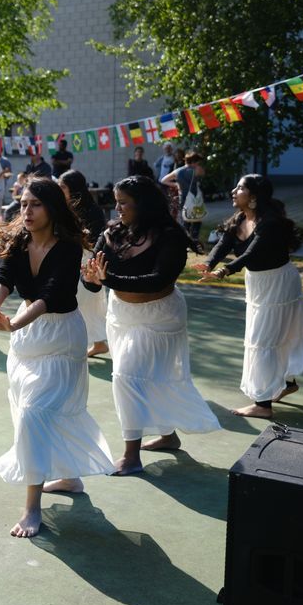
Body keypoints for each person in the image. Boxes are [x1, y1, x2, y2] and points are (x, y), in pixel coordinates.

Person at [0, 177, 115, 538]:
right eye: (22, 204)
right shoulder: (18, 241)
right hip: (25, 343)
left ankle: (32, 509)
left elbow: (51, 295)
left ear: (51, 208)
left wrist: (13, 323)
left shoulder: (68, 248)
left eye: (34, 204)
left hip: (60, 340)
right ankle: (69, 478)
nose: (26, 211)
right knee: (29, 412)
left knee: (34, 415)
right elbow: (3, 275)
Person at [81, 175, 219, 476]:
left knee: (127, 376)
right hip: (121, 314)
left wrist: (108, 280)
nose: (117, 209)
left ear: (142, 205)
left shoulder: (169, 235)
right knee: (147, 376)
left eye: (123, 203)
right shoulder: (112, 233)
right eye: (116, 202)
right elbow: (93, 278)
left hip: (160, 315)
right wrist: (91, 279)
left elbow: (160, 279)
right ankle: (168, 436)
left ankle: (131, 456)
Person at [196, 175, 303, 418]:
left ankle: (262, 404)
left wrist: (224, 271)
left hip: (278, 283)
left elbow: (251, 253)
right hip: (258, 283)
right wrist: (208, 263)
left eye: (240, 188)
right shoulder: (239, 219)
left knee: (263, 339)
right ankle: (286, 384)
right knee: (273, 335)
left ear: (254, 196)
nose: (233, 191)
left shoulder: (269, 222)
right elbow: (224, 244)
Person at [59, 170, 110, 358]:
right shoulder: (64, 207)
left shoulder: (91, 210)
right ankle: (98, 343)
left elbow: (96, 239)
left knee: (83, 302)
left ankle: (88, 343)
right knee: (83, 304)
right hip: (71, 257)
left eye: (63, 186)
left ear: (73, 188)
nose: (60, 189)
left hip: (86, 260)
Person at [161, 152, 205, 250]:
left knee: (185, 221)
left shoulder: (178, 171)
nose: (198, 164)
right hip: (195, 198)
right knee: (197, 221)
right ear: (194, 162)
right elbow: (202, 174)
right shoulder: (197, 169)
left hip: (183, 198)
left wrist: (176, 184)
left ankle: (186, 242)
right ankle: (195, 241)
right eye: (197, 162)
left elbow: (163, 180)